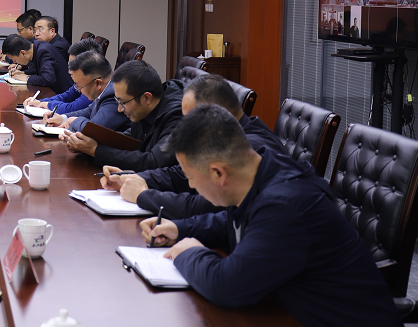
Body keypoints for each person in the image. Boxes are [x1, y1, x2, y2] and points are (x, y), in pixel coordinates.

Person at [141, 105, 414, 327]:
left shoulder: (285, 205)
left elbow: (226, 285)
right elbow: (235, 223)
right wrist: (181, 228)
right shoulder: (262, 172)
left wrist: (187, 253)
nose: (190, 186)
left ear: (218, 174)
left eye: (190, 177)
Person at [102, 74, 287, 219]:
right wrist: (132, 178)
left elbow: (205, 205)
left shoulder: (249, 149)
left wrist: (143, 195)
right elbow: (181, 175)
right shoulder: (221, 136)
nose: (186, 126)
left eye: (191, 119)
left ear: (217, 113)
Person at [60, 60, 183, 171]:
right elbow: (126, 142)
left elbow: (154, 162)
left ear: (146, 98)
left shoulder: (178, 116)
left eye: (123, 102)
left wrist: (94, 150)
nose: (119, 109)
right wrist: (83, 146)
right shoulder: (144, 109)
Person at [42, 50, 128, 132]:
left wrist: (74, 121)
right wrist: (63, 118)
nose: (79, 90)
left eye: (79, 86)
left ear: (98, 83)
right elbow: (88, 111)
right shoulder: (106, 89)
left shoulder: (114, 95)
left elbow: (94, 129)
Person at [22, 38, 100, 115]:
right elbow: (67, 96)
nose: (69, 71)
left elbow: (73, 108)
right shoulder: (83, 80)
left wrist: (48, 105)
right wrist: (40, 102)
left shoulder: (95, 84)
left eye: (73, 66)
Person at [1, 33, 73, 94]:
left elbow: (48, 79)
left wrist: (27, 78)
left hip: (63, 95)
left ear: (23, 53)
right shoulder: (36, 48)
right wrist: (22, 73)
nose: (14, 62)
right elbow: (38, 71)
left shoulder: (44, 52)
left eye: (14, 59)